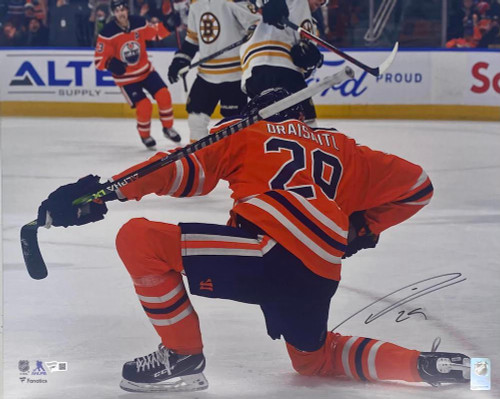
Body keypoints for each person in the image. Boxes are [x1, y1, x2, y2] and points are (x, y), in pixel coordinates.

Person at [36, 88, 470, 393]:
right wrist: (363, 228)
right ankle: (429, 367)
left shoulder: (249, 132)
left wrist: (105, 191)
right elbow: (419, 186)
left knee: (138, 240)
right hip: (318, 270)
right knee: (313, 361)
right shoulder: (346, 149)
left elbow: (177, 168)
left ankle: (182, 356)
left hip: (266, 252)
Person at [167, 0, 260, 142]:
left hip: (234, 75)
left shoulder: (233, 1)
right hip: (206, 74)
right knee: (195, 121)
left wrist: (253, 30)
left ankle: (233, 161)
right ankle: (201, 159)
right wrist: (180, 60)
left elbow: (257, 24)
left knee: (233, 125)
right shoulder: (195, 4)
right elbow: (192, 39)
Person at [94, 0, 182, 149]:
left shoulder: (138, 22)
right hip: (126, 79)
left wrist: (168, 25)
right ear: (113, 13)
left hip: (146, 71)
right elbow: (98, 60)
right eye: (117, 10)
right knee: (144, 106)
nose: (121, 13)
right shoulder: (107, 33)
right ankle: (145, 135)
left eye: (123, 9)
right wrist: (110, 64)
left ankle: (168, 128)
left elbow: (154, 34)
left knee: (164, 95)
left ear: (127, 10)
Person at [241, 0, 325, 125]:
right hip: (276, 70)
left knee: (268, 125)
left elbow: (305, 65)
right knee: (307, 122)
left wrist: (311, 60)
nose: (321, 3)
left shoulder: (311, 25)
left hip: (262, 74)